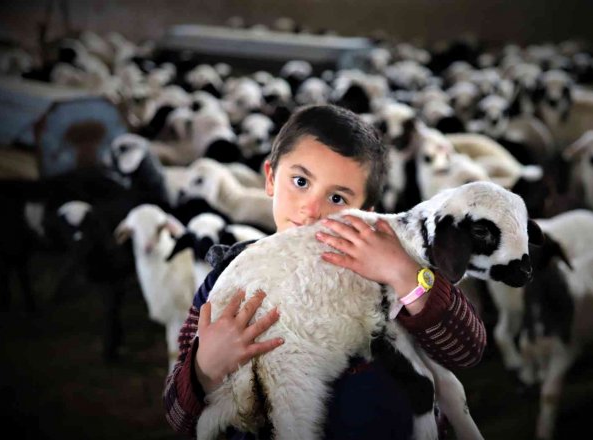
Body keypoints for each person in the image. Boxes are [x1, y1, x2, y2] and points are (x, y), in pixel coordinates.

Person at [163, 104, 487, 439]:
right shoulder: (230, 279)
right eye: (300, 181)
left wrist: (408, 277)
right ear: (271, 178)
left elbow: (466, 350)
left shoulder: (384, 274)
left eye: (336, 198)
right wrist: (204, 370)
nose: (311, 209)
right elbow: (178, 416)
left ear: (365, 214)